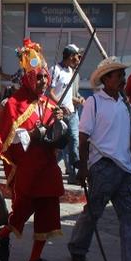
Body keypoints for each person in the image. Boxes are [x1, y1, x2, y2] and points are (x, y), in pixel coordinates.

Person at [0, 39, 66, 261]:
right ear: (27, 78)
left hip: (48, 168)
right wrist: (33, 135)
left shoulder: (50, 104)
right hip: (28, 169)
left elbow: (58, 136)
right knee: (21, 214)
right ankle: (3, 235)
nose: (43, 82)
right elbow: (6, 137)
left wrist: (59, 121)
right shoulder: (14, 104)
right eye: (38, 77)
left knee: (48, 215)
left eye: (45, 77)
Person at [67, 57, 131, 261]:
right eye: (118, 75)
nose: (122, 79)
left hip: (125, 168)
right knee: (94, 212)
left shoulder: (125, 105)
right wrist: (84, 167)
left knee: (130, 215)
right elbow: (84, 136)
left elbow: (130, 136)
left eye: (123, 75)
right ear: (106, 79)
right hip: (102, 165)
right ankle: (77, 248)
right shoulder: (93, 103)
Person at [50, 44, 84, 183]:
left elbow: (69, 93)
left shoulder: (72, 71)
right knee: (58, 145)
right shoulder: (55, 70)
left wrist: (78, 100)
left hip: (72, 113)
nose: (78, 58)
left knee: (74, 142)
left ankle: (74, 174)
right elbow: (50, 93)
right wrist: (61, 106)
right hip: (58, 114)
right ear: (70, 56)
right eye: (76, 56)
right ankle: (49, 168)